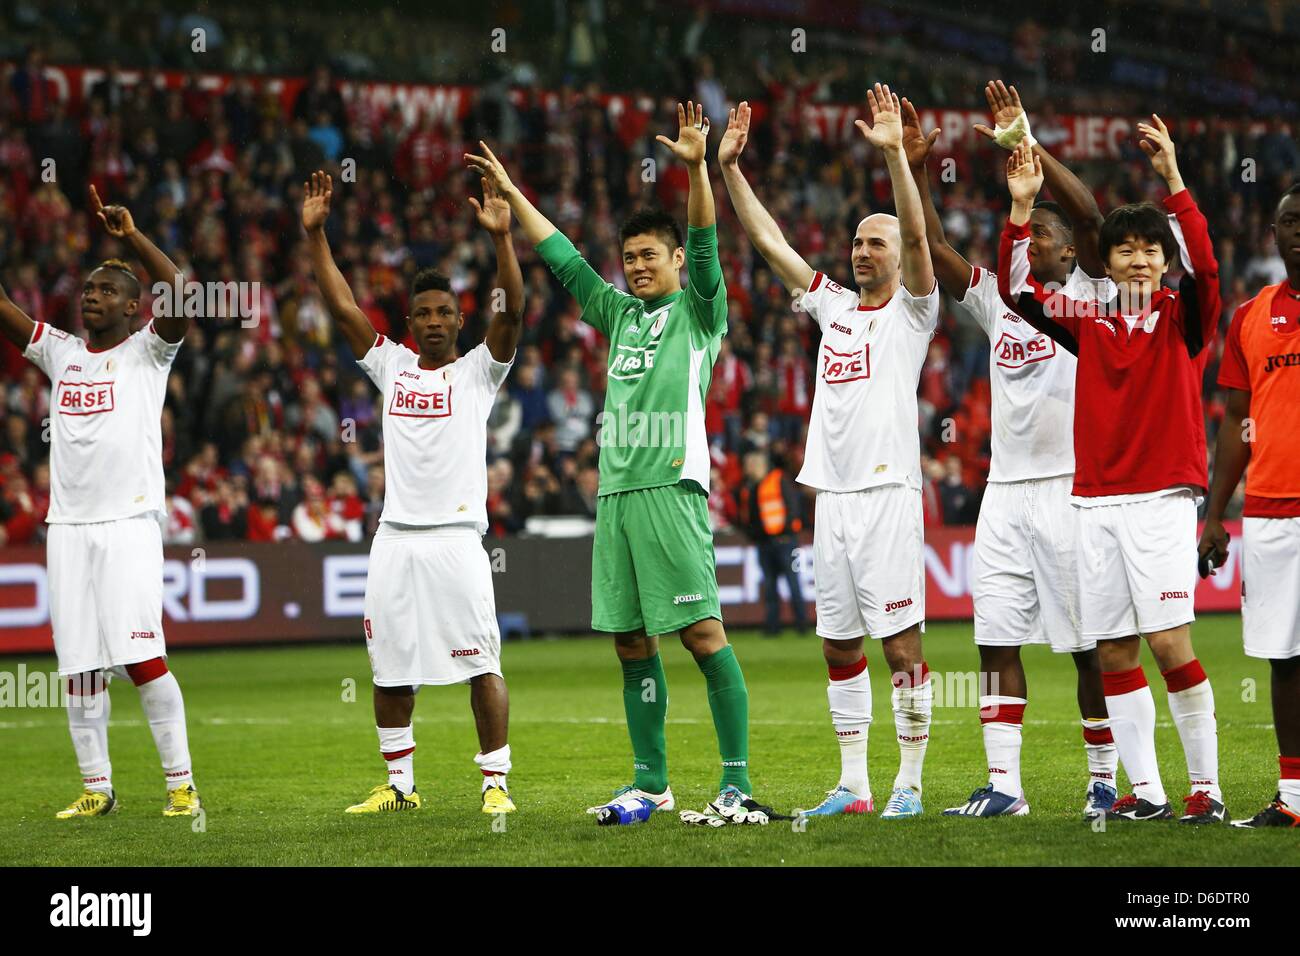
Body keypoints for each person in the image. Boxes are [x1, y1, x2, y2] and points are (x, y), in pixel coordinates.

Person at [468, 103, 771, 827]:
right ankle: (652, 783)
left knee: (701, 636)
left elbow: (704, 240)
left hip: (672, 486)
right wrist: (513, 197)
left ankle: (737, 785)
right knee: (631, 644)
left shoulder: (699, 311)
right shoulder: (618, 314)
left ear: (671, 263)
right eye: (630, 258)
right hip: (617, 495)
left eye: (648, 257)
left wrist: (697, 167)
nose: (637, 267)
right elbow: (564, 260)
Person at [997, 117, 1225, 824]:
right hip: (1093, 502)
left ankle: (1206, 791)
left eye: (1148, 249)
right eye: (1123, 249)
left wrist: (1174, 182)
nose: (1135, 259)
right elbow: (1017, 294)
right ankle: (1149, 794)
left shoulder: (1185, 316)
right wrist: (1020, 208)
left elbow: (1209, 269)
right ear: (1108, 259)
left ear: (1163, 261)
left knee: (1167, 643)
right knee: (1117, 648)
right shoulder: (1087, 321)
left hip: (1160, 500)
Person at [719, 86, 937, 819]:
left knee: (901, 650)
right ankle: (854, 785)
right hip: (832, 500)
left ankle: (908, 783)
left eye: (876, 242)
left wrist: (894, 159)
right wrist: (729, 171)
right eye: (856, 242)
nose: (862, 250)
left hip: (887, 497)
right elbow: (771, 244)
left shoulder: (914, 311)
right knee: (839, 648)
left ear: (900, 257)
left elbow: (916, 232)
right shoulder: (833, 307)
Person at [905, 82, 1119, 819]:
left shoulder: (1094, 295)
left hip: (1071, 487)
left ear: (1067, 248)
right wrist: (914, 169)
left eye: (1048, 240)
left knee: (1089, 647)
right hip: (1005, 493)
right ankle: (1005, 787)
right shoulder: (1001, 295)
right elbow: (931, 248)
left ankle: (1103, 779)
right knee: (994, 639)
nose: (1040, 248)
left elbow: (1091, 212)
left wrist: (1029, 152)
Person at [302, 170, 524, 815]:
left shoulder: (480, 371)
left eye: (443, 313)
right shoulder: (391, 366)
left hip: (457, 542)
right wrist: (316, 235)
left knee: (481, 664)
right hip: (394, 540)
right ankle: (400, 787)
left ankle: (495, 785)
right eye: (422, 313)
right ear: (410, 322)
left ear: (460, 320)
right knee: (390, 668)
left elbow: (511, 308)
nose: (432, 321)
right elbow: (343, 307)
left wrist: (504, 241)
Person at [0, 186, 200, 818]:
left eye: (108, 289)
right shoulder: (62, 354)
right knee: (80, 667)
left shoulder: (148, 353)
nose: (93, 295)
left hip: (129, 523)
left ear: (134, 306)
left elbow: (183, 293)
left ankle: (180, 784)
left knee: (141, 657)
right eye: (88, 288)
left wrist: (133, 238)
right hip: (67, 528)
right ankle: (97, 788)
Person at [1199, 183, 1300, 828]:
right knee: (1284, 657)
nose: (1299, 230)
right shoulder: (1250, 316)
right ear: (1273, 233)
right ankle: (1293, 799)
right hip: (1268, 509)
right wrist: (1213, 515)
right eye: (1289, 221)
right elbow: (1237, 418)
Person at [736, 450, 807, 635]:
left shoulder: (777, 479)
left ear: (758, 465)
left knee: (793, 584)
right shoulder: (750, 487)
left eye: (750, 465)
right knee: (769, 586)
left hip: (785, 541)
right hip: (765, 544)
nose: (747, 469)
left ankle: (802, 625)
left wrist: (788, 530)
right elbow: (750, 517)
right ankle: (773, 627)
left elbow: (792, 506)